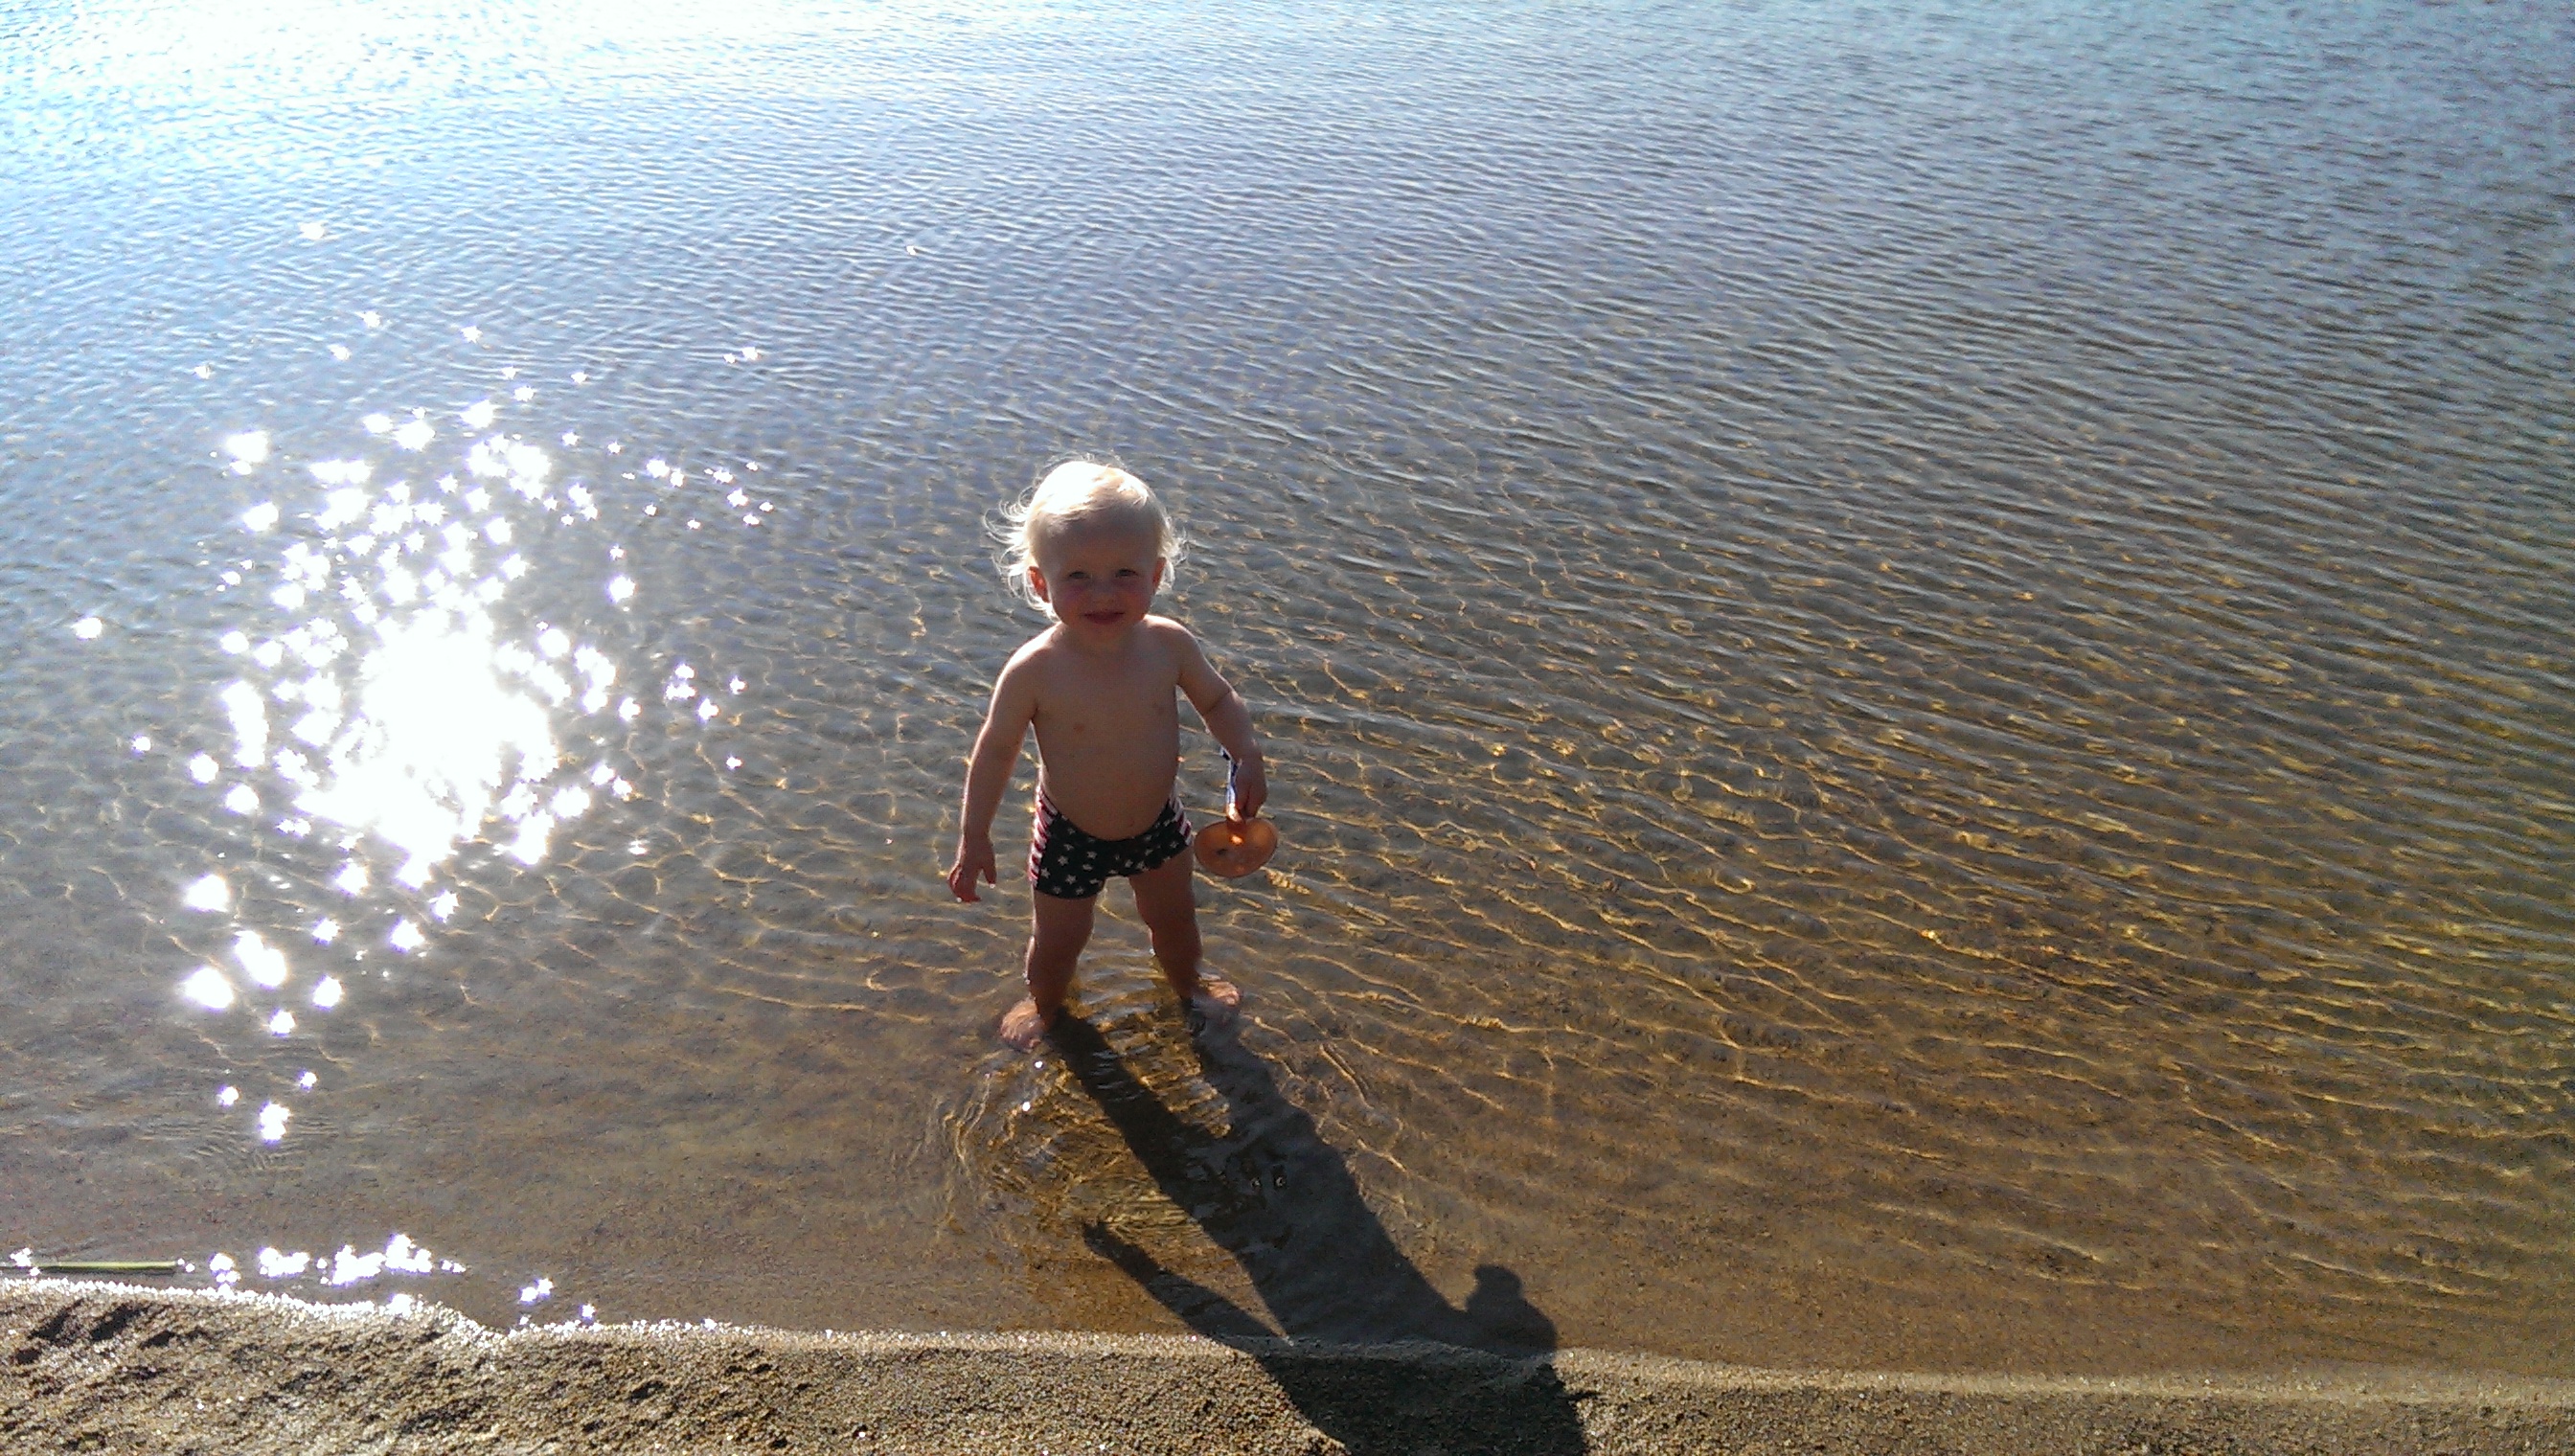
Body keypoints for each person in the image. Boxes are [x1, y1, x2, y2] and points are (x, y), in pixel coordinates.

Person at [946, 460, 1268, 1049]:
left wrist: (1245, 751)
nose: (1103, 593)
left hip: (1157, 822)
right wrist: (975, 837)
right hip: (1071, 833)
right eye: (1078, 576)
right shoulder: (1035, 669)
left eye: (1124, 572)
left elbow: (1217, 699)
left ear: (1156, 574)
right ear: (1040, 583)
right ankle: (1046, 1005)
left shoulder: (1168, 645)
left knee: (1175, 921)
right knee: (1058, 941)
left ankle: (1187, 985)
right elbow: (995, 752)